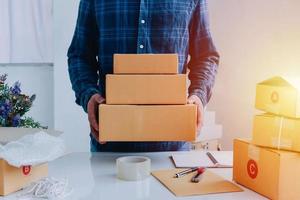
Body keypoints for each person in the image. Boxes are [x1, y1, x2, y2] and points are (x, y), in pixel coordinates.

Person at [67, 0, 220, 152]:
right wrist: (88, 94)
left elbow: (206, 56)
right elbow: (79, 55)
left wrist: (199, 95)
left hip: (171, 148)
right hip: (110, 144)